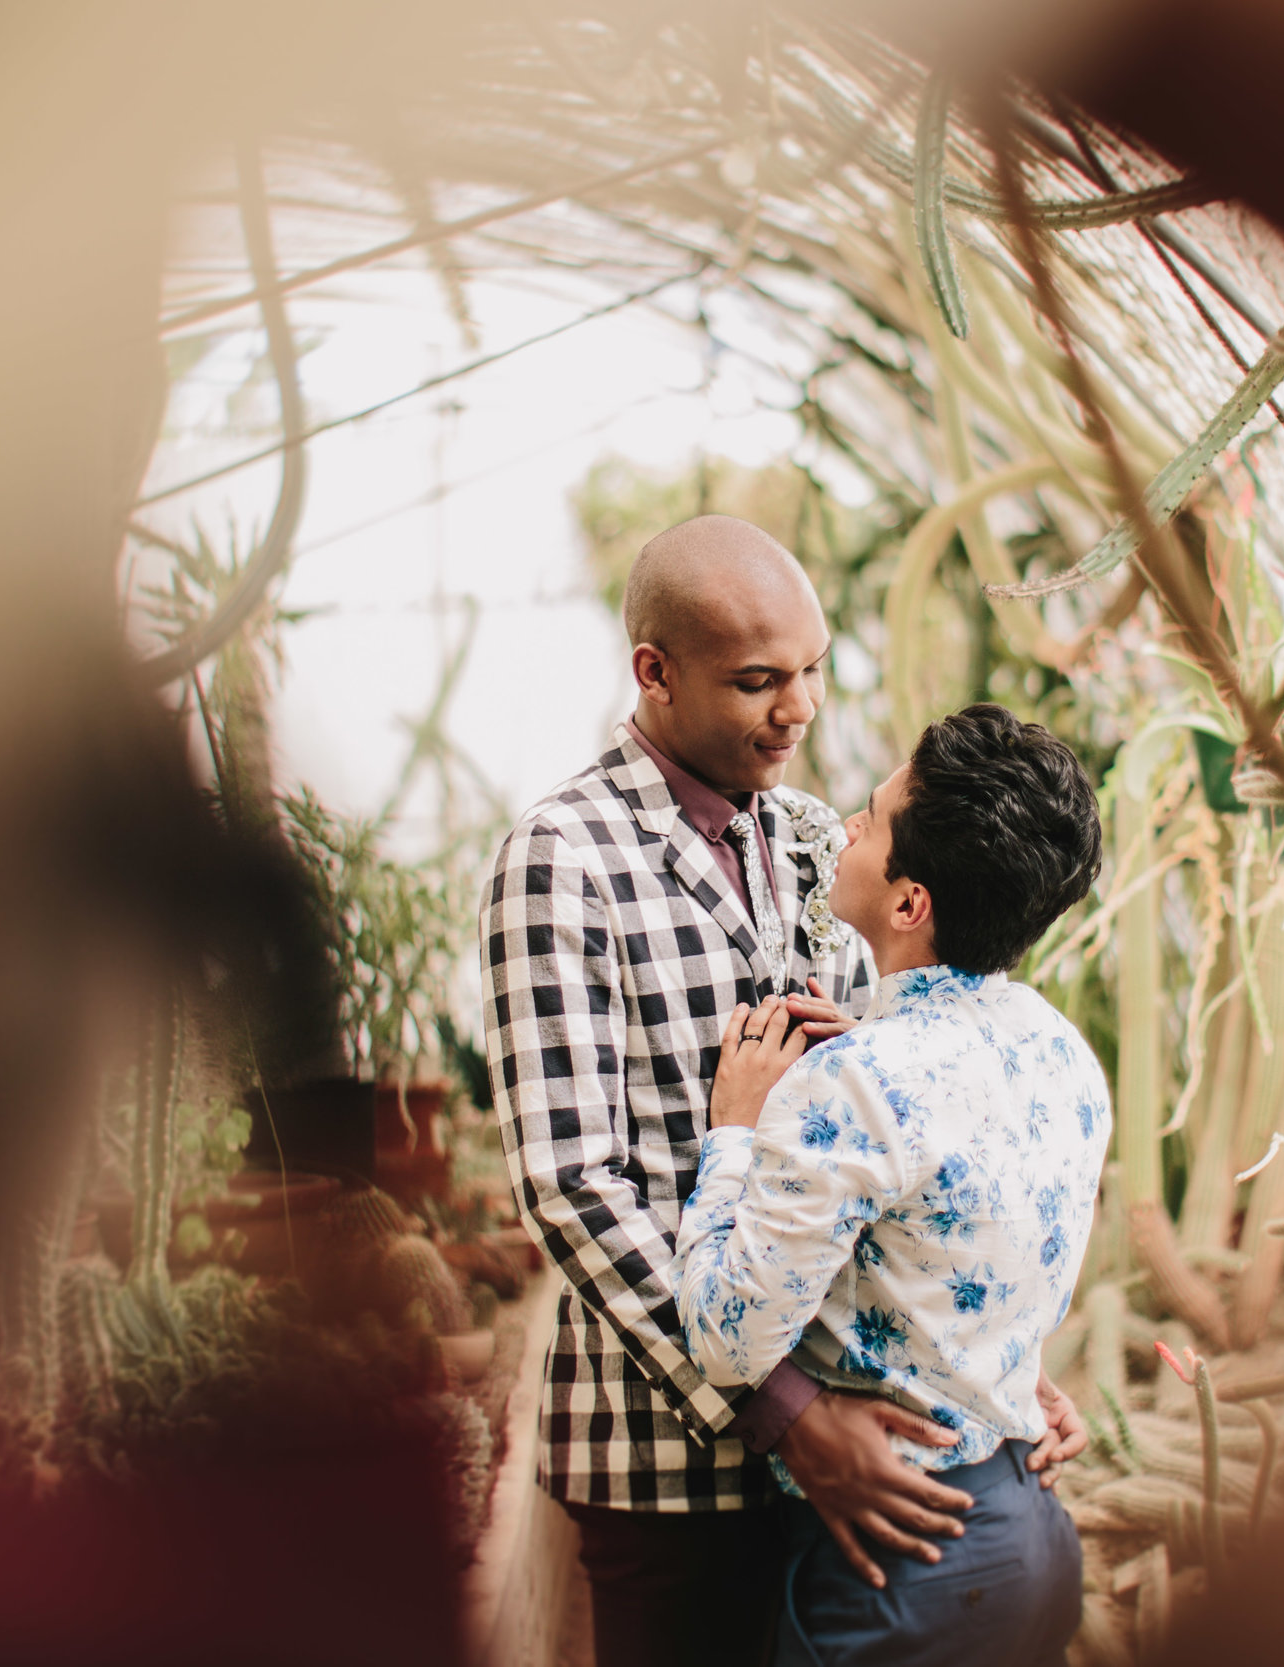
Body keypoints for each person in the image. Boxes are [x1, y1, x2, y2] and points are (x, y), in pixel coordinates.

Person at [483, 519, 1077, 1667]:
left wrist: (1003, 1361)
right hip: (672, 1461)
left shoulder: (820, 840)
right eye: (757, 680)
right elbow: (571, 1183)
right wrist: (791, 1416)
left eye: (810, 669)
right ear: (654, 671)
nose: (798, 708)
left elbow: (904, 1141)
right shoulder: (562, 860)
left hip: (866, 1445)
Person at [676, 702, 1110, 1667]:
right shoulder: (1059, 1046)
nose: (845, 825)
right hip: (1032, 1528)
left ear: (910, 903)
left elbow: (724, 1336)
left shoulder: (854, 1082)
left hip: (905, 1568)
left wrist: (736, 1133)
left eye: (870, 819)